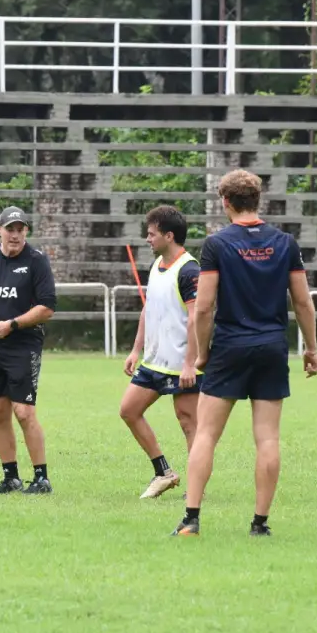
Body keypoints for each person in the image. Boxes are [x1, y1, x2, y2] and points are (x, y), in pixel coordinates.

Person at [173, 170, 317, 538]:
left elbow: (203, 308)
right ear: (258, 199)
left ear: (225, 201)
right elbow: (303, 302)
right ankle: (259, 523)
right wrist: (311, 348)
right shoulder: (285, 243)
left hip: (230, 346)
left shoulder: (217, 244)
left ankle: (191, 519)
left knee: (206, 434)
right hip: (271, 347)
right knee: (267, 438)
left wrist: (201, 353)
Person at [0, 206, 58, 495]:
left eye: (20, 229)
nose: (15, 235)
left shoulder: (37, 261)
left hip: (23, 344)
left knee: (24, 411)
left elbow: (47, 307)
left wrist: (12, 325)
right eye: (10, 229)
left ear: (26, 231)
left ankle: (41, 478)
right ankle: (11, 477)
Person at [120, 205, 201, 499]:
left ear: (169, 236)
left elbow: (196, 318)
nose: (147, 238)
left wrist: (190, 364)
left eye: (152, 233)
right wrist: (136, 350)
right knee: (129, 411)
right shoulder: (156, 265)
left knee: (189, 423)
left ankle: (196, 489)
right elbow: (149, 308)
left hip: (182, 363)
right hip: (154, 361)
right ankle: (164, 472)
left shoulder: (190, 270)